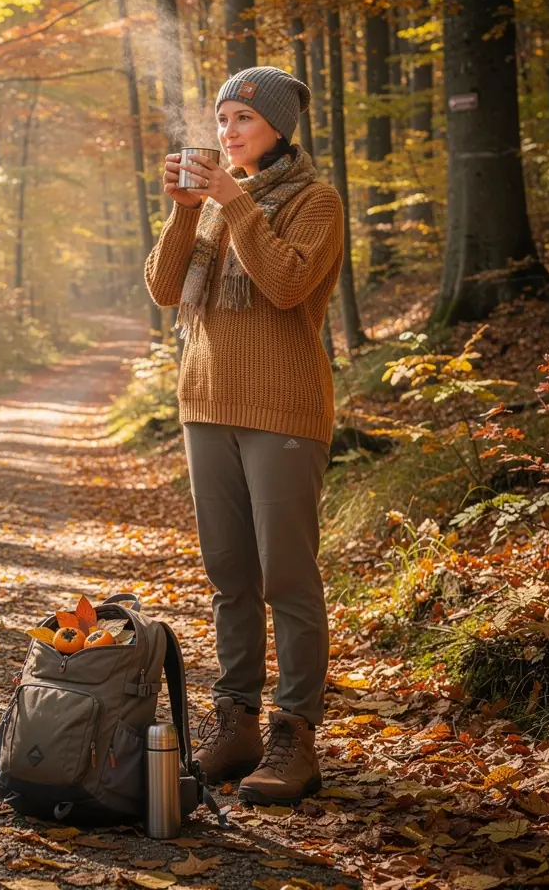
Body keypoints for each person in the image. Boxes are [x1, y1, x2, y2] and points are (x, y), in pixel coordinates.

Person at [144, 66, 343, 807]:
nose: (228, 133)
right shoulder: (216, 204)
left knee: (287, 576)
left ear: (280, 129)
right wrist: (184, 212)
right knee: (229, 575)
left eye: (244, 121)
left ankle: (296, 734)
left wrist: (233, 204)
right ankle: (237, 723)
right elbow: (167, 290)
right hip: (206, 404)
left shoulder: (315, 202)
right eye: (222, 120)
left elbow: (287, 286)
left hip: (284, 410)